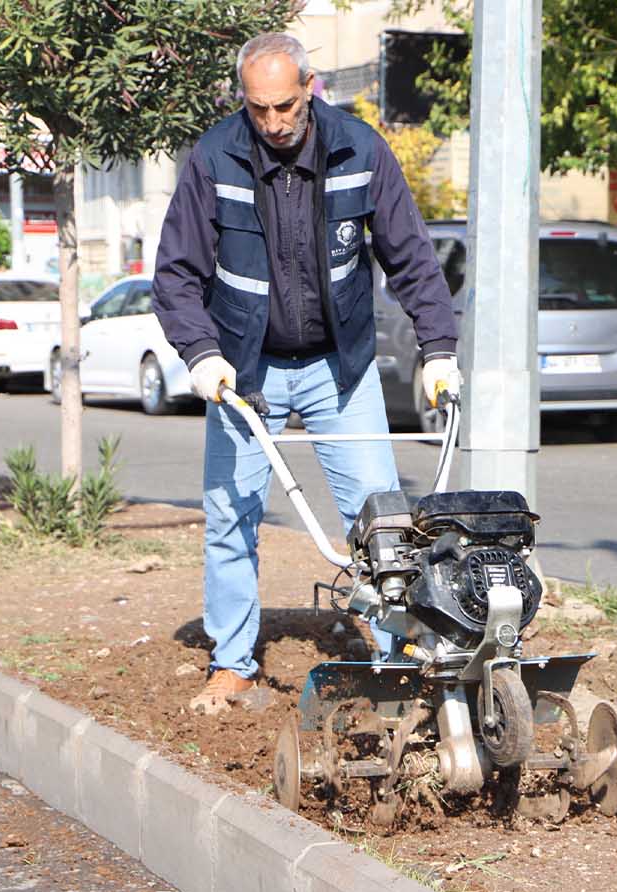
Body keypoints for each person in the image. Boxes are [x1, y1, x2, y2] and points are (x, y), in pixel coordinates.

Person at [152, 32, 461, 716]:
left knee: (381, 519)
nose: (273, 123)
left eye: (285, 106)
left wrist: (439, 348)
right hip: (244, 370)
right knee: (231, 519)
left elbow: (410, 256)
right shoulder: (214, 158)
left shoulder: (359, 148)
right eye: (259, 109)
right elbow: (175, 275)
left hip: (337, 367)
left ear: (310, 88)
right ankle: (233, 664)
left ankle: (397, 659)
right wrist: (202, 355)